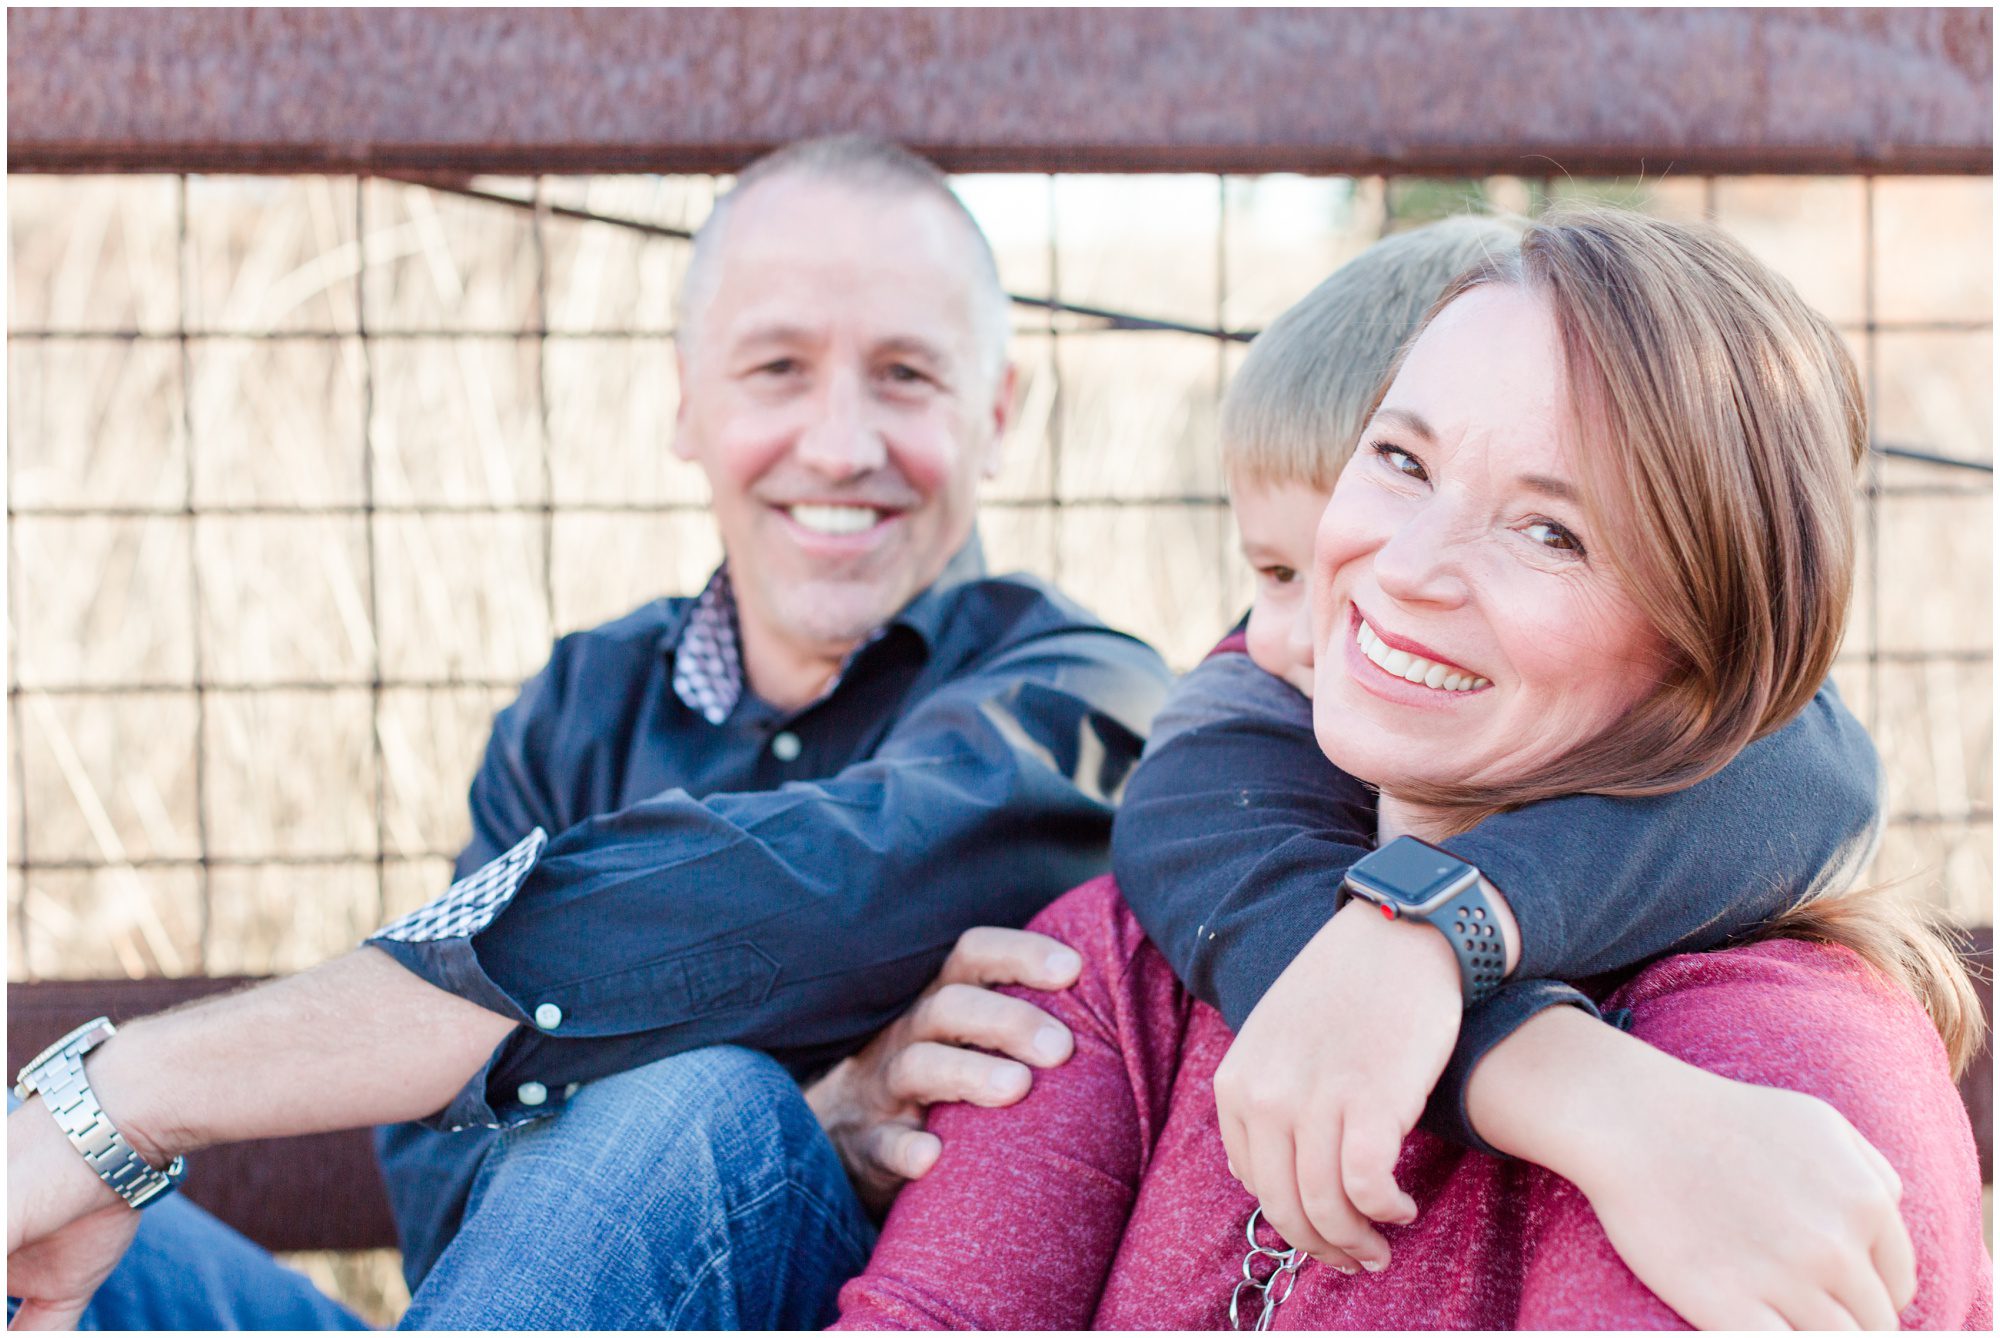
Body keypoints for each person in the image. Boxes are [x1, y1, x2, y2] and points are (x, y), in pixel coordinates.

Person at [6, 137, 1173, 1330]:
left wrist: (129, 1094)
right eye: (775, 367)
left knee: (696, 1114)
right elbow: (439, 1186)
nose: (837, 443)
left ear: (997, 410)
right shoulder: (581, 704)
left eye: (906, 377)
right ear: (685, 401)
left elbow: (828, 884)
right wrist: (818, 1099)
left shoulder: (1082, 696)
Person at [831, 207, 1991, 1329]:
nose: (1405, 568)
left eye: (1553, 532)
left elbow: (1815, 766)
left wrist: (1454, 946)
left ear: (1711, 648)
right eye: (1400, 459)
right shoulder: (1126, 949)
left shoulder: (1771, 1085)